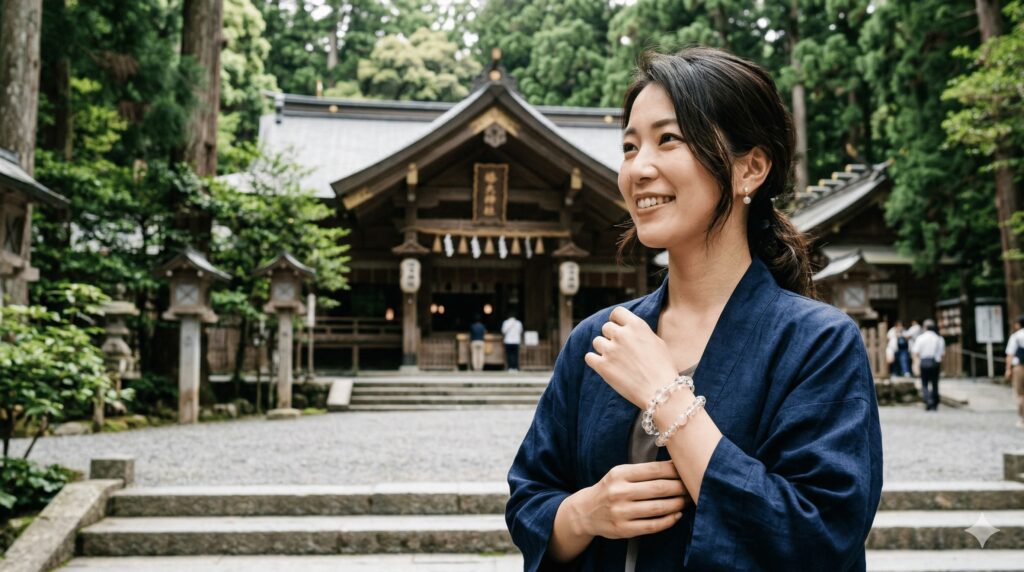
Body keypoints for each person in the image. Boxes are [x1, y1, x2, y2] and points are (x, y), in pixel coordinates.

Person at [506, 47, 883, 571]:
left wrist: (665, 397)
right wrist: (584, 513)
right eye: (629, 146)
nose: (638, 169)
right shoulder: (601, 338)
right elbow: (531, 495)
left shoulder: (818, 342)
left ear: (749, 169)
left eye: (668, 140)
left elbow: (819, 534)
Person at [911, 319, 945, 411]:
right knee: (935, 383)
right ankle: (934, 402)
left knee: (924, 383)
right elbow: (941, 354)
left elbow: (915, 352)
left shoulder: (921, 338)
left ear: (925, 327)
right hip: (935, 362)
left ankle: (928, 400)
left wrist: (916, 364)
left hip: (924, 361)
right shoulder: (939, 338)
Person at [1005, 314, 1024, 429]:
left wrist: (1008, 369)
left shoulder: (1016, 336)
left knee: (1021, 394)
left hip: (1020, 367)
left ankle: (1023, 418)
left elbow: (1010, 355)